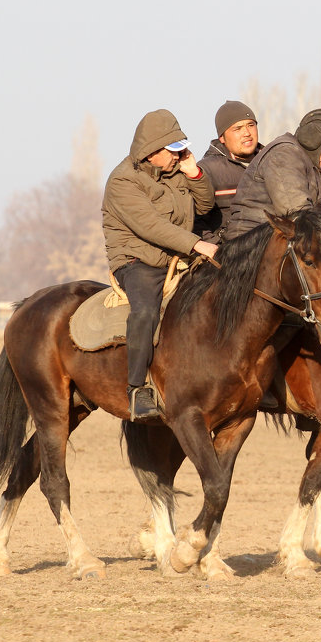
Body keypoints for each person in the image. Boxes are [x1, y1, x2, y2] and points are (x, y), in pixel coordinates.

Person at [102, 108, 218, 421]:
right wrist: (198, 245)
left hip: (177, 258)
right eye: (174, 151)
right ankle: (137, 388)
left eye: (182, 150)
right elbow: (150, 226)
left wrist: (194, 173)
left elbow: (206, 206)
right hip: (137, 260)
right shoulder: (122, 181)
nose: (179, 156)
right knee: (146, 312)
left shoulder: (177, 171)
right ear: (152, 152)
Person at [224, 108, 321, 240]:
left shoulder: (304, 161)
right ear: (314, 140)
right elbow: (299, 215)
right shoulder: (284, 155)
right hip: (249, 245)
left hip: (272, 242)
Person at [193, 100, 261, 242]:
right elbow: (194, 222)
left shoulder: (271, 163)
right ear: (222, 138)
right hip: (229, 255)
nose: (247, 133)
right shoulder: (207, 170)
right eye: (237, 129)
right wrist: (219, 252)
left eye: (251, 125)